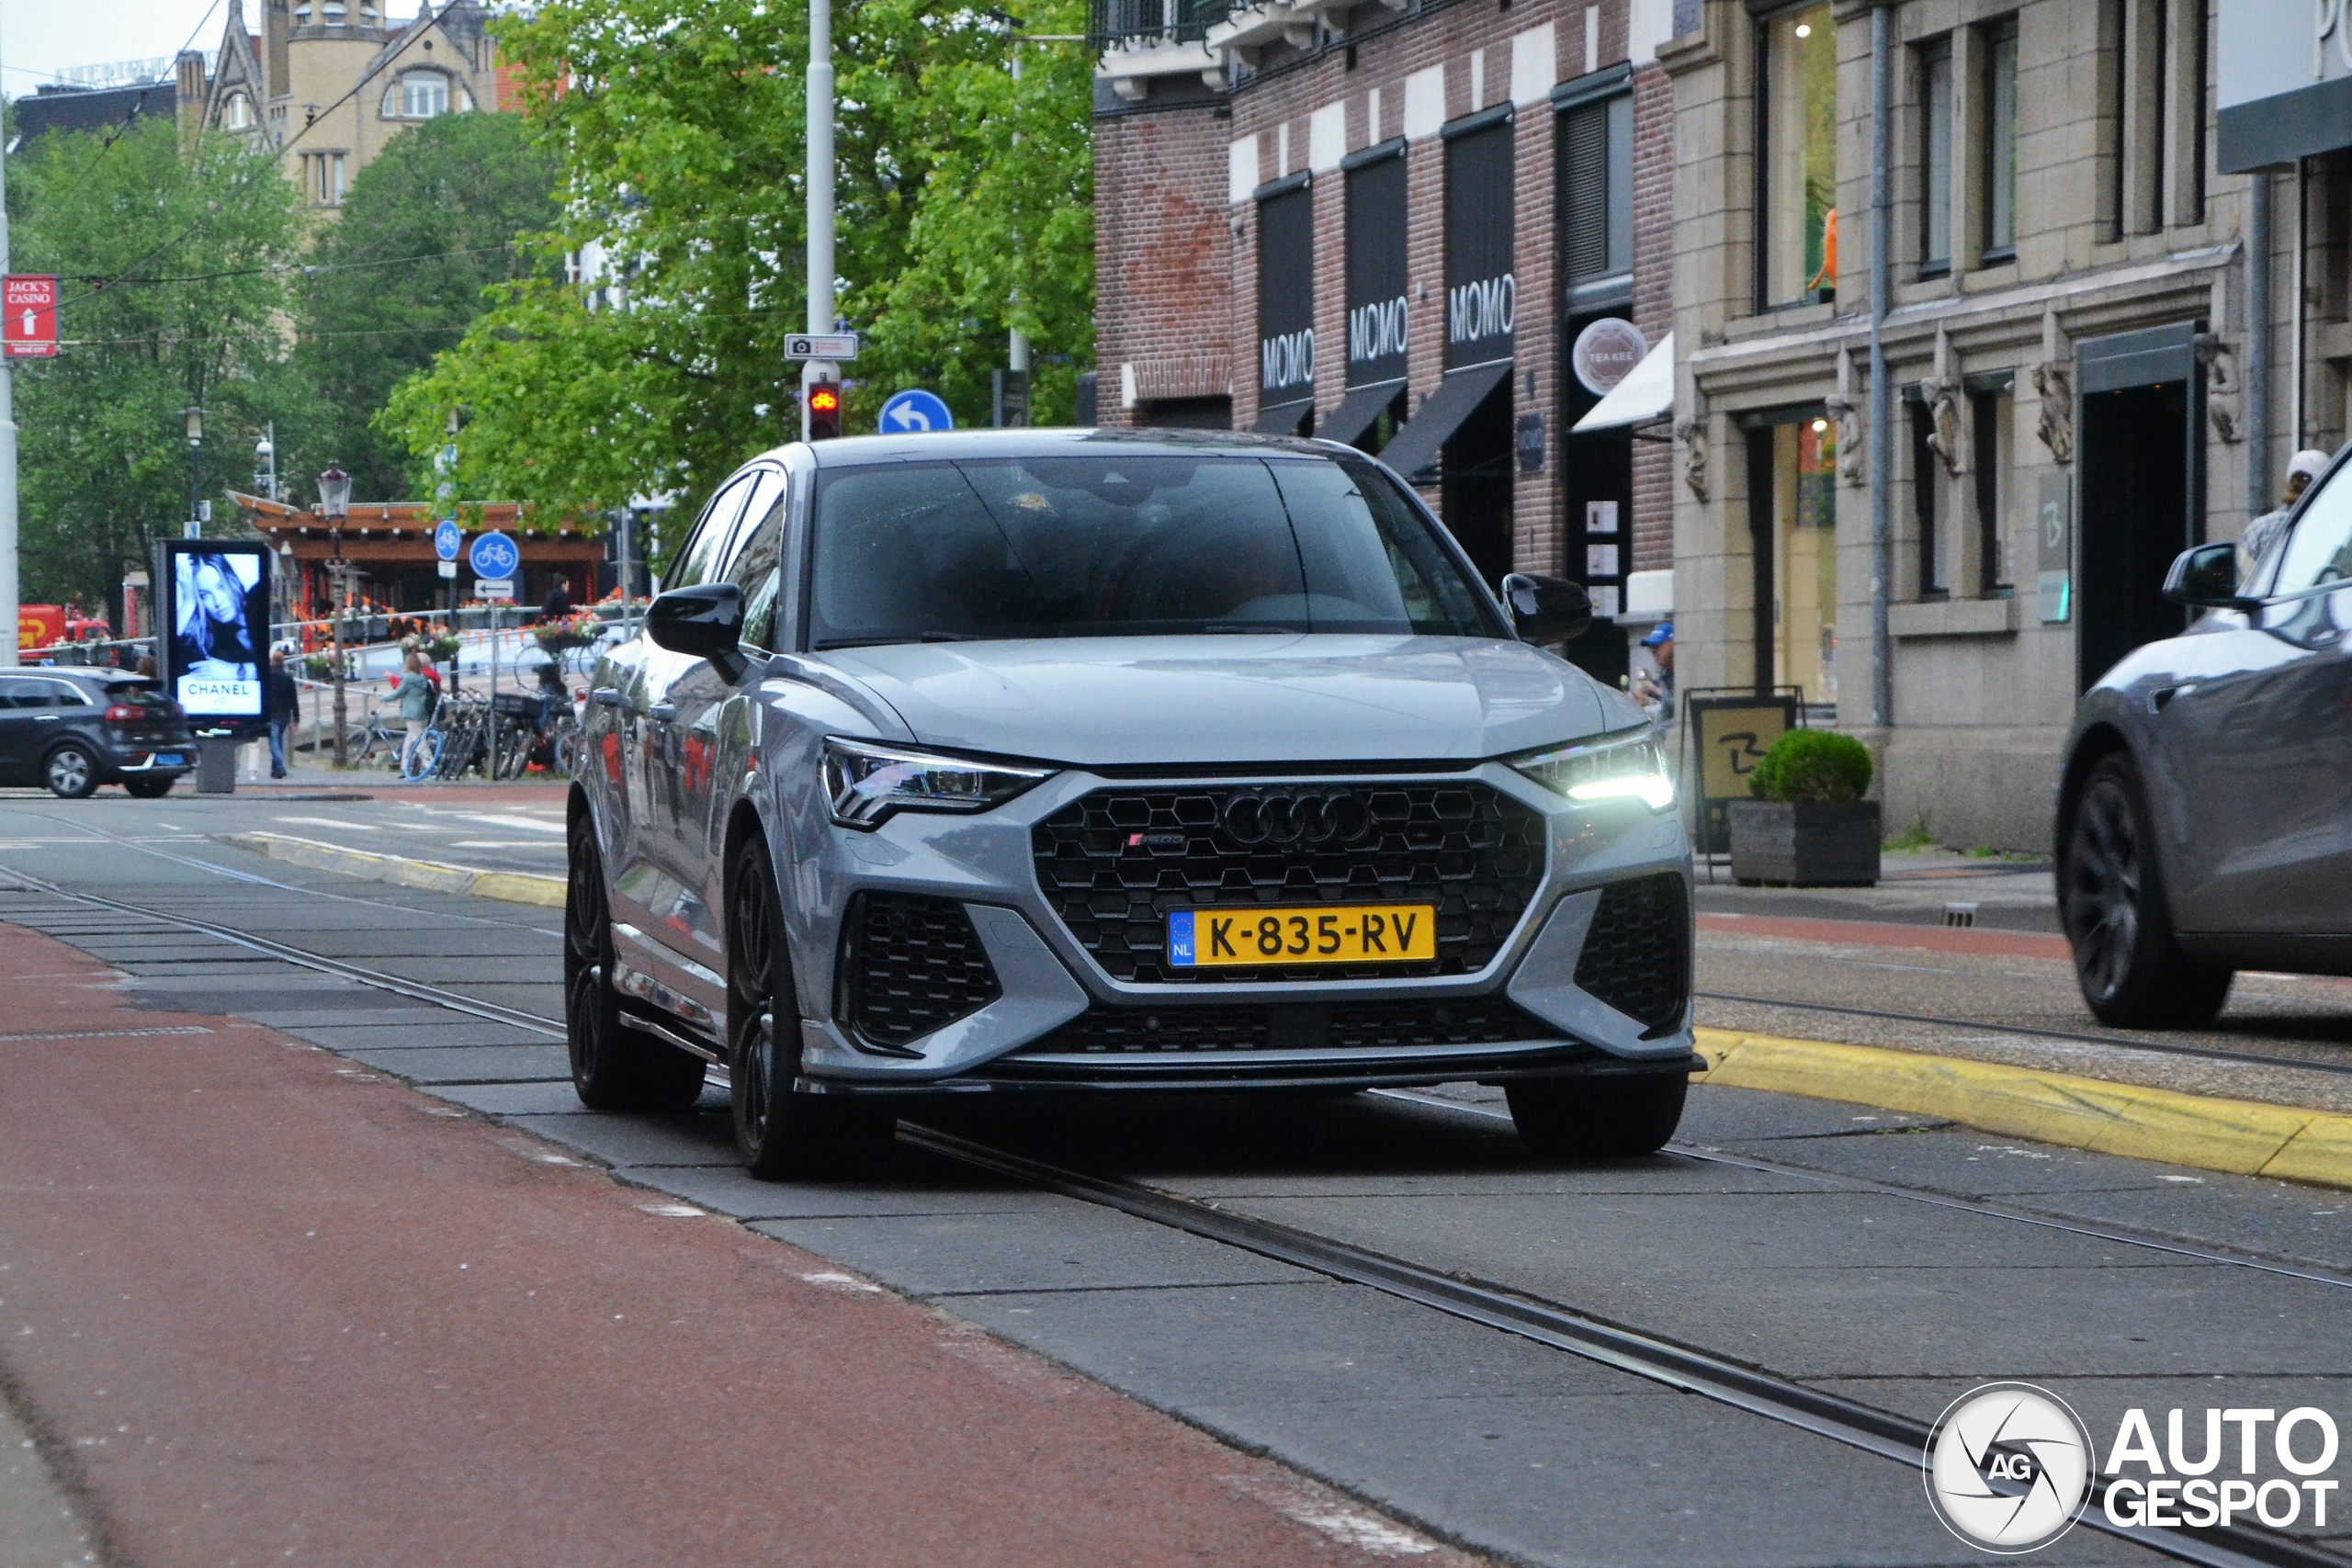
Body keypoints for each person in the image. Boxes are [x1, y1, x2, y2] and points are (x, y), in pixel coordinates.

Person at [2243, 449, 2331, 570]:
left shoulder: (2259, 528)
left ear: (2287, 483)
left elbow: (2243, 578)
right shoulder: (2335, 527)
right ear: (2328, 485)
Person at [393, 649, 437, 773]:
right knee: (409, 739)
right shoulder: (424, 677)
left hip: (412, 713)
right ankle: (404, 766)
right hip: (423, 711)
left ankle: (429, 764)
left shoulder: (408, 678)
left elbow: (398, 692)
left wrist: (384, 698)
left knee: (418, 739)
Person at [266, 648, 300, 780]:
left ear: (272, 661)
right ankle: (275, 771)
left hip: (271, 713)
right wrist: (296, 718)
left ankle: (280, 766)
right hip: (285, 714)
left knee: (273, 741)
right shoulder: (288, 677)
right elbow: (294, 699)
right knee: (278, 740)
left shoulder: (267, 676)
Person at [1631, 621, 1675, 721]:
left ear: (1672, 643)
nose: (1653, 651)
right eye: (1651, 647)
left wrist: (1655, 690)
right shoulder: (1665, 672)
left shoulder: (1684, 669)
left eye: (1658, 645)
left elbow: (1679, 704)